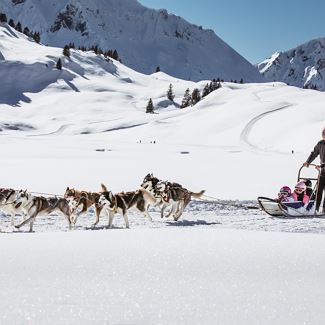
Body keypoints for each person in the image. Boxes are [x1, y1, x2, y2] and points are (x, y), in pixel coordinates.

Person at [303, 127, 325, 213]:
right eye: (323, 134)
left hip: (322, 167)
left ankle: (324, 211)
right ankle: (315, 209)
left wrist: (322, 165)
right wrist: (308, 162)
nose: (324, 136)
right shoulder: (320, 144)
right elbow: (314, 153)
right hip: (322, 171)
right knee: (319, 190)